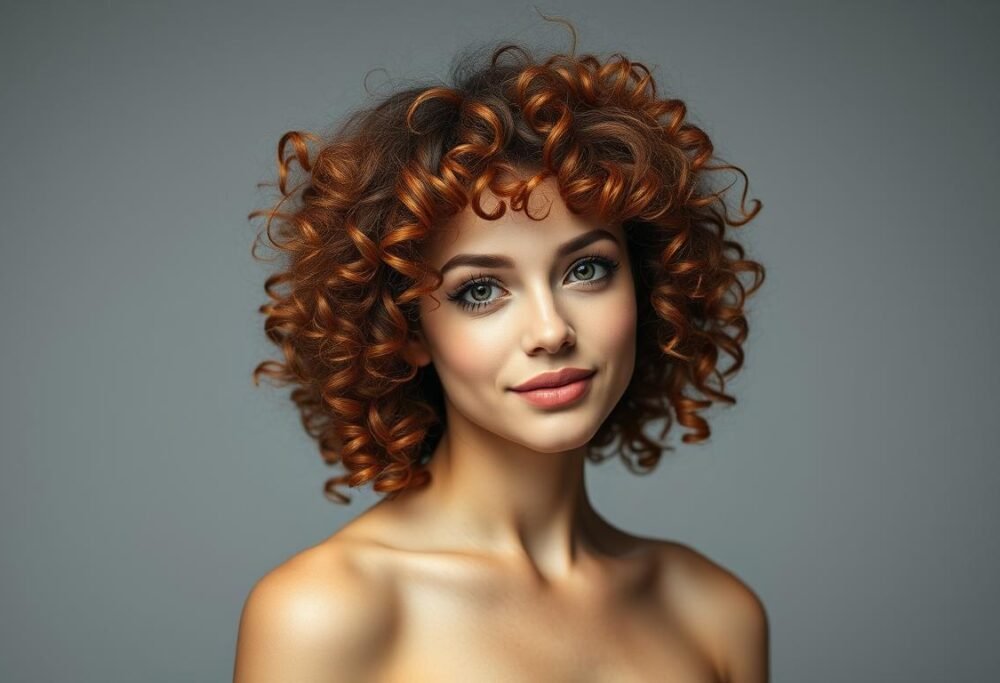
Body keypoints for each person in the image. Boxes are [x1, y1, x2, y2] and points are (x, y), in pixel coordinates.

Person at [234, 29, 768, 683]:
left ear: (648, 282)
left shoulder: (714, 614)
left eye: (588, 270)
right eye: (480, 290)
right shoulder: (326, 613)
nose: (550, 330)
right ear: (403, 330)